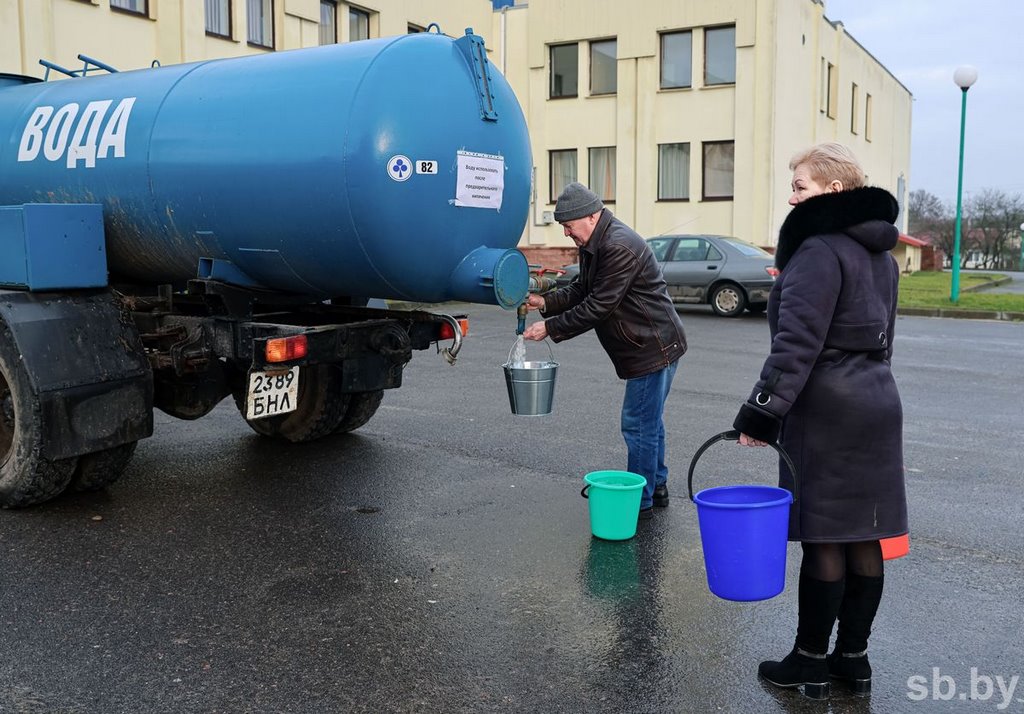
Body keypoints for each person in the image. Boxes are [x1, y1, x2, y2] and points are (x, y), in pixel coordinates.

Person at [733, 143, 907, 699]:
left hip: (827, 408)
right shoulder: (880, 253)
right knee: (865, 535)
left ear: (833, 190)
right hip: (878, 402)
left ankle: (808, 663)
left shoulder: (819, 249)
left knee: (825, 536)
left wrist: (761, 412)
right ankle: (852, 664)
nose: (792, 196)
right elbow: (882, 337)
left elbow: (797, 344)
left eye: (801, 186)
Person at [523, 182, 686, 519]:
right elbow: (583, 287)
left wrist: (550, 328)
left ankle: (639, 501)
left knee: (638, 423)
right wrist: (545, 302)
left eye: (569, 227)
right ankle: (656, 486)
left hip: (651, 347)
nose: (568, 234)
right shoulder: (596, 242)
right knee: (648, 421)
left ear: (591, 216)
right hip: (650, 343)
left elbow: (599, 305)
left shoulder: (617, 246)